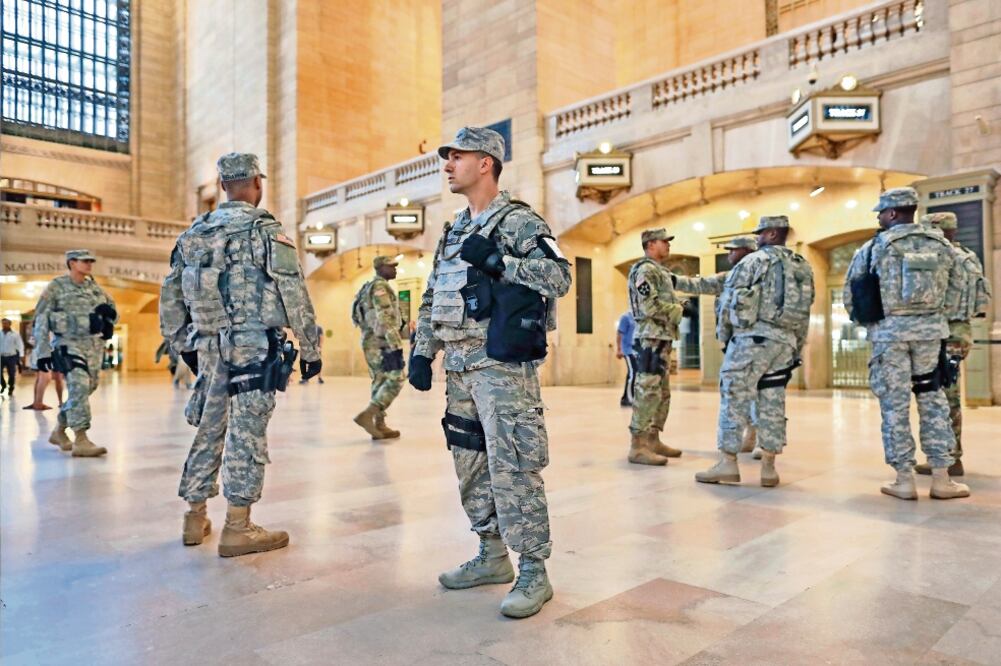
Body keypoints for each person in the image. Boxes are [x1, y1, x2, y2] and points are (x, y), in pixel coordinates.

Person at [409, 127, 571, 619]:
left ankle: (534, 571)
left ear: (486, 163)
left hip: (500, 367)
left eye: (457, 157)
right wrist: (422, 350)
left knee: (514, 466)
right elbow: (436, 292)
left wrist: (502, 261)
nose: (447, 165)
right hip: (458, 368)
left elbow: (559, 277)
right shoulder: (453, 229)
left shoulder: (519, 221)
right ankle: (492, 554)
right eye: (447, 158)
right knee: (470, 466)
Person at [160, 152, 323, 557]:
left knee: (209, 428)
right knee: (246, 432)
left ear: (221, 186)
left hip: (210, 344)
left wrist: (185, 345)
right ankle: (238, 526)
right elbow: (293, 291)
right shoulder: (266, 231)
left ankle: (194, 519)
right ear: (256, 183)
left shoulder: (194, 233)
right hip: (254, 346)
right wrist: (311, 347)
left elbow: (171, 300)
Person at [843, 187, 969, 500]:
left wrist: (872, 324)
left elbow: (852, 295)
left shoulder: (873, 248)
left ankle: (904, 479)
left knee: (895, 405)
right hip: (930, 335)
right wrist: (936, 319)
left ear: (894, 212)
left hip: (890, 337)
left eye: (882, 213)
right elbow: (959, 291)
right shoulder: (942, 245)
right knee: (933, 400)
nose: (880, 218)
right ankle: (942, 479)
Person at [693, 217, 815, 487]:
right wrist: (796, 347)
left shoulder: (753, 262)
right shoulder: (802, 266)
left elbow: (729, 303)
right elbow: (805, 311)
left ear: (772, 233)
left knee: (734, 397)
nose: (757, 239)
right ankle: (769, 468)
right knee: (772, 401)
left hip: (751, 339)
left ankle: (728, 463)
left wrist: (726, 340)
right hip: (785, 344)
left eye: (760, 234)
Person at [914, 212, 991, 477]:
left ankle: (948, 458)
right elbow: (981, 301)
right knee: (951, 397)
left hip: (941, 333)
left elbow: (923, 297)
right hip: (961, 332)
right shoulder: (969, 258)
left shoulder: (938, 259)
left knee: (940, 399)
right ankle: (950, 455)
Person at [672, 236, 760, 455]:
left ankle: (762, 441)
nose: (728, 254)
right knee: (738, 392)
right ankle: (750, 434)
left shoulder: (762, 276)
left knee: (761, 391)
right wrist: (672, 280)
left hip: (758, 344)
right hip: (734, 344)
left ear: (747, 251)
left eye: (733, 250)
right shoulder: (730, 277)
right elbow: (701, 284)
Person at [32, 250, 117, 457]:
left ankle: (59, 431)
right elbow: (41, 318)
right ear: (71, 262)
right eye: (84, 261)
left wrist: (108, 319)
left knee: (88, 387)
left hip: (93, 347)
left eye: (91, 261)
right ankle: (81, 439)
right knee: (78, 385)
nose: (89, 264)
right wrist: (42, 352)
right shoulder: (57, 287)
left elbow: (111, 310)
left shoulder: (94, 288)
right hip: (68, 344)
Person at [625, 228, 685, 466]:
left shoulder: (660, 270)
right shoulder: (645, 270)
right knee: (647, 390)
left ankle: (653, 438)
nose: (668, 245)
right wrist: (678, 310)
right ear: (650, 245)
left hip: (661, 337)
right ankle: (638, 446)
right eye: (664, 242)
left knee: (661, 392)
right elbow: (649, 306)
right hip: (650, 339)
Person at [351, 258, 404, 439]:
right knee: (396, 378)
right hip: (381, 342)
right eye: (392, 266)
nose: (395, 270)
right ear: (381, 268)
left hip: (371, 341)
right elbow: (385, 317)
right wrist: (396, 344)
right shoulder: (380, 287)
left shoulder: (369, 286)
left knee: (380, 380)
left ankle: (378, 425)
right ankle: (368, 415)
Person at [616, 311, 636, 407]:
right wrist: (619, 349)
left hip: (635, 350)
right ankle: (629, 398)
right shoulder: (626, 317)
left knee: (632, 374)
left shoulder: (638, 316)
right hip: (627, 350)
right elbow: (619, 333)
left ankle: (625, 398)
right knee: (633, 373)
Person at [1, 318, 25, 396]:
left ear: (9, 324)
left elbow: (20, 345)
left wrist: (21, 355)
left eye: (5, 323)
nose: (4, 325)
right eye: (3, 323)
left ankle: (11, 387)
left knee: (11, 374)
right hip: (1, 356)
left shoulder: (15, 334)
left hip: (11, 356)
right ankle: (3, 384)